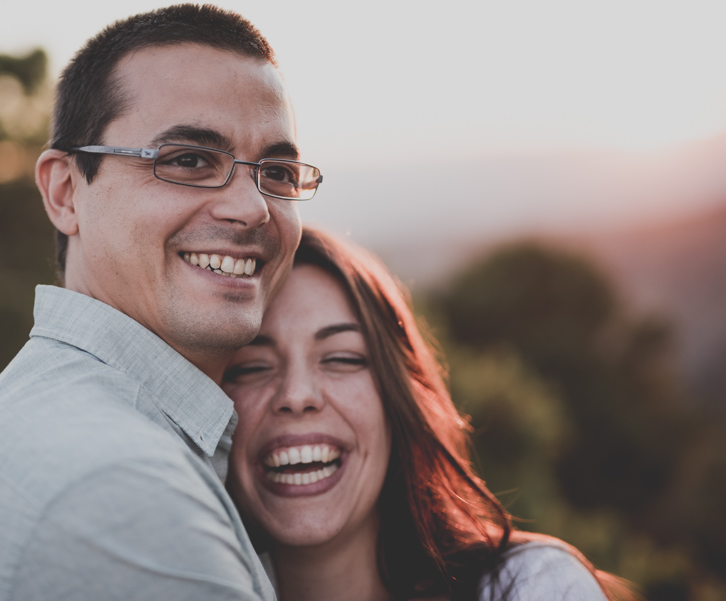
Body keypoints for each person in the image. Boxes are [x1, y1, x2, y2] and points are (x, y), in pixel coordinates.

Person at [0, 5, 322, 600]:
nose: (252, 208)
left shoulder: (65, 411)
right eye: (189, 160)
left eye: (276, 171)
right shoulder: (124, 490)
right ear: (67, 191)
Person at [222, 227, 637, 601]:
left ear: (398, 396)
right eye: (251, 366)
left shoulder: (528, 587)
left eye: (342, 358)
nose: (296, 395)